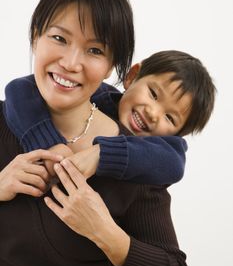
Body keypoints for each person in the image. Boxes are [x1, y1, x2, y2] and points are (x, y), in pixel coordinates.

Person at [0, 0, 190, 266]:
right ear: (36, 36)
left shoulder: (135, 155)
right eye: (59, 38)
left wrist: (103, 231)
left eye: (95, 51)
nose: (71, 63)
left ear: (112, 67)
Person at [4, 50, 215, 187]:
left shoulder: (164, 152)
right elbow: (20, 88)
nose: (153, 113)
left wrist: (102, 153)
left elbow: (174, 164)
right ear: (132, 76)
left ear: (177, 135)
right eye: (153, 94)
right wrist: (50, 145)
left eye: (170, 118)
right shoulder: (98, 96)